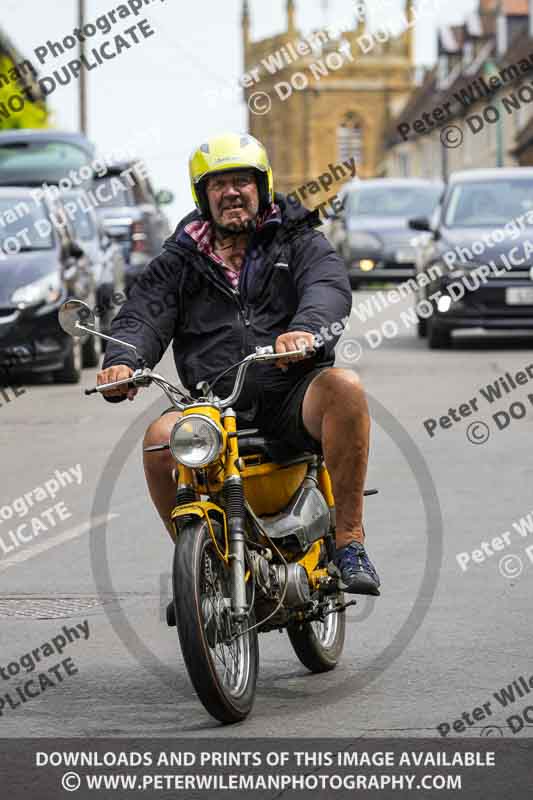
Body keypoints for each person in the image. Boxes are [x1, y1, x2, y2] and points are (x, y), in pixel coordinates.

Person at [97, 132, 380, 596]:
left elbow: (328, 287)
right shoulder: (179, 260)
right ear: (202, 196)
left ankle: (349, 540)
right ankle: (201, 571)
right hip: (214, 404)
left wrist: (306, 329)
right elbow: (142, 316)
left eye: (242, 181)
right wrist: (123, 360)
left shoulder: (298, 239)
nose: (231, 192)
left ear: (262, 186)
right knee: (158, 441)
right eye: (218, 184)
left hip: (292, 391)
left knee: (345, 388)